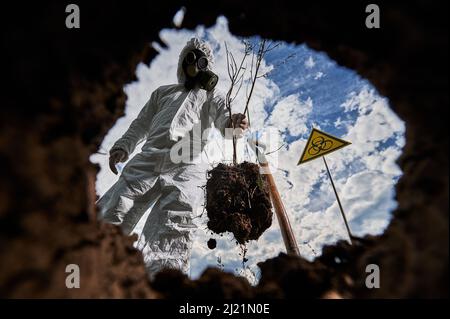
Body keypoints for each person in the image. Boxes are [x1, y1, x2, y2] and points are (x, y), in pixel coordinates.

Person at [96, 38, 248, 279]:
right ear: (182, 63)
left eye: (200, 59)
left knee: (174, 226)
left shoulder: (212, 96)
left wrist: (234, 123)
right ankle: (89, 265)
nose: (194, 64)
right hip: (149, 157)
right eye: (190, 57)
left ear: (207, 66)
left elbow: (224, 121)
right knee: (116, 208)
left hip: (188, 164)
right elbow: (141, 124)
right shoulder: (163, 93)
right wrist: (123, 146)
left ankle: (164, 284)